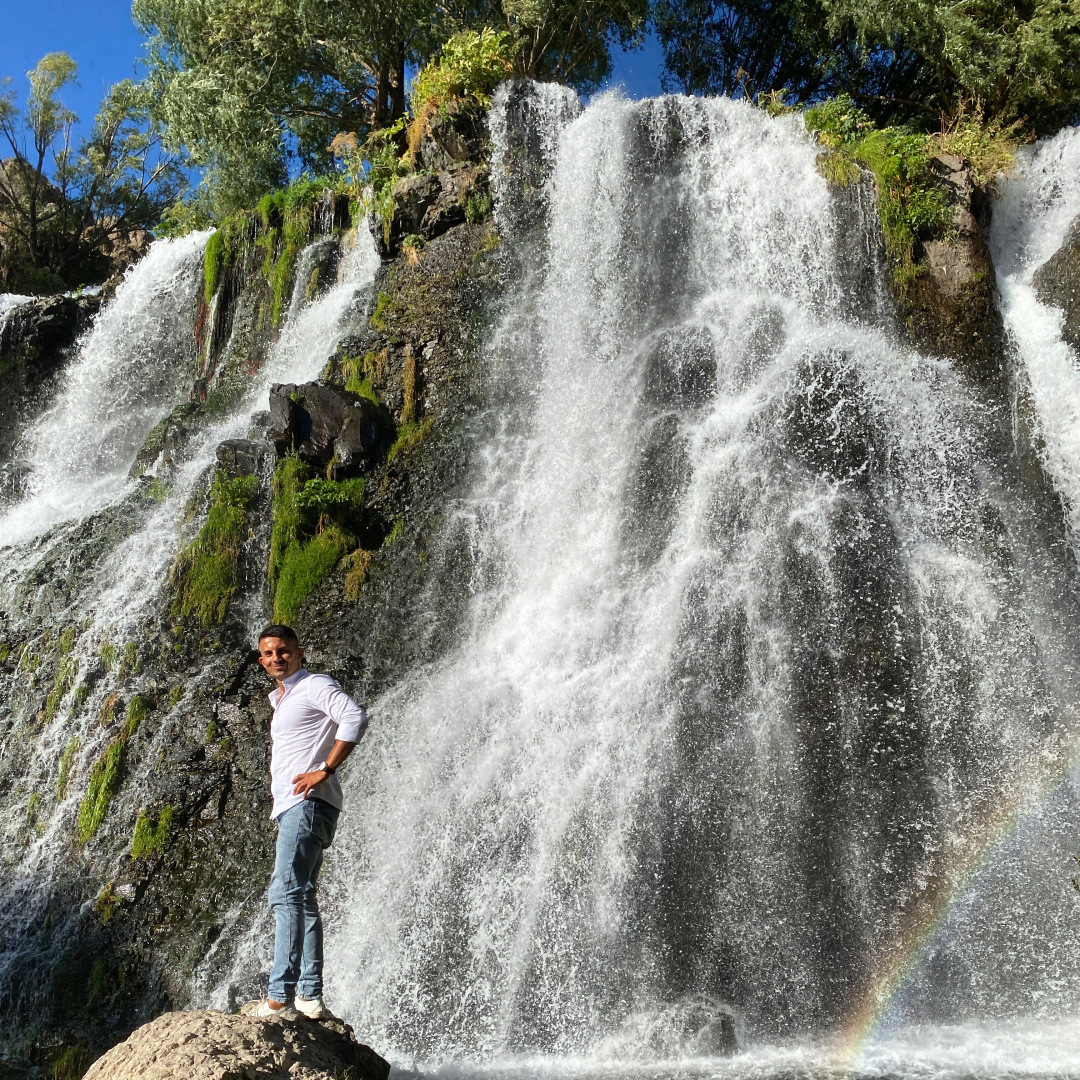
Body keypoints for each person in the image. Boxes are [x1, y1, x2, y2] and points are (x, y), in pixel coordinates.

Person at [244, 623, 368, 1021]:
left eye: (283, 651)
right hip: (299, 807)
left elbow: (353, 716)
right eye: (267, 654)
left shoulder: (313, 685)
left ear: (299, 652)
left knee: (284, 894)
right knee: (303, 897)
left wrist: (324, 770)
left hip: (308, 803)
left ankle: (279, 997)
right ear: (261, 660)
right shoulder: (281, 699)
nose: (275, 658)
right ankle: (309, 997)